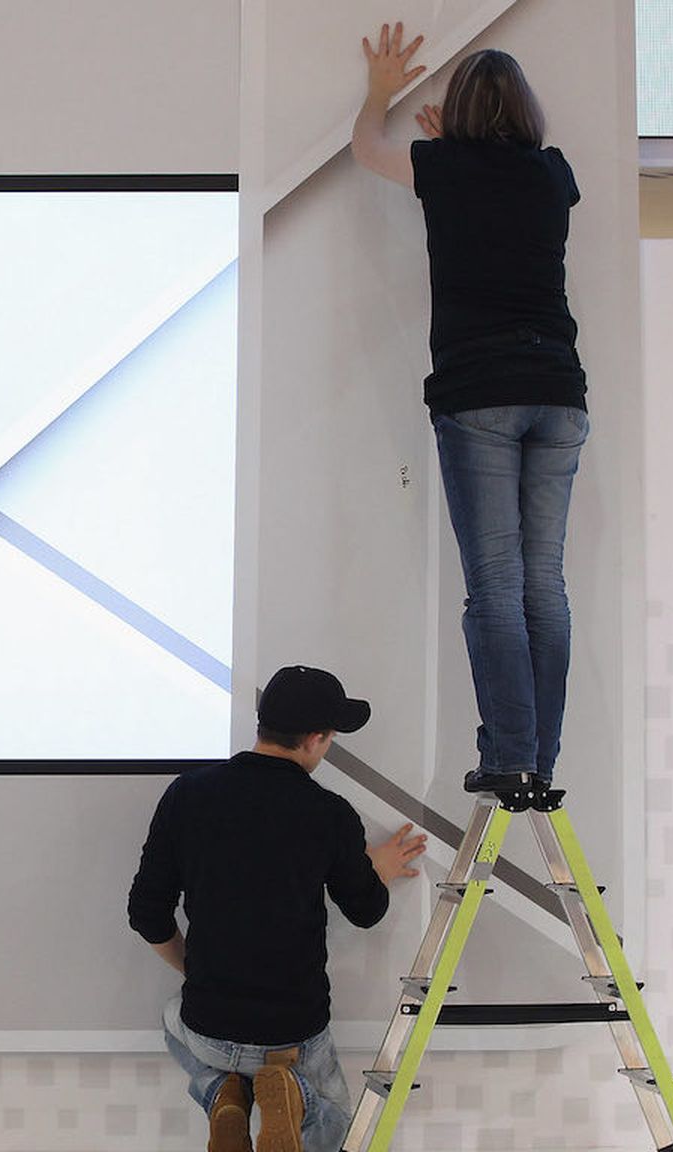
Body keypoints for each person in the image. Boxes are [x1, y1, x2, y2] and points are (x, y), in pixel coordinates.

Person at [351, 24, 591, 796]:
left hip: (480, 391)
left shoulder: (441, 168)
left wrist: (381, 93)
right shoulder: (553, 174)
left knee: (493, 583)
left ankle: (510, 756)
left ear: (456, 114)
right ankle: (537, 760)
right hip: (559, 392)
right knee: (542, 584)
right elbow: (498, 192)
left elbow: (364, 149)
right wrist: (449, 153)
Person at [128, 665, 428, 1152]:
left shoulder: (187, 794)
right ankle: (296, 1096)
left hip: (209, 1025)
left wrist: (195, 969)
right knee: (336, 1133)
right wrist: (376, 866)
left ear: (262, 725)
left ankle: (221, 1092)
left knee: (172, 1019)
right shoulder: (329, 813)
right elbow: (367, 910)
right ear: (315, 739)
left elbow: (146, 912)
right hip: (293, 1034)